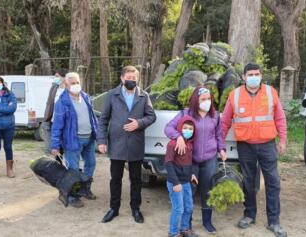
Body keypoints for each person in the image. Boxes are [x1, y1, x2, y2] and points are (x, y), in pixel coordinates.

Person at [221, 63, 288, 237]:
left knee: (273, 182)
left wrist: (283, 140)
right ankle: (249, 214)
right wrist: (220, 144)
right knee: (249, 182)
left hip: (267, 144)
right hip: (246, 146)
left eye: (256, 74)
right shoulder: (234, 95)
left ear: (261, 75)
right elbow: (225, 122)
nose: (253, 77)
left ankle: (274, 221)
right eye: (250, 74)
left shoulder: (270, 92)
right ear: (243, 77)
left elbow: (280, 117)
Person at [98, 65, 156, 224]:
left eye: (134, 78)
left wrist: (139, 123)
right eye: (128, 78)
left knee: (136, 179)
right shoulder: (112, 95)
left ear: (138, 79)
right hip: (117, 143)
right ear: (122, 78)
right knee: (115, 178)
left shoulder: (144, 96)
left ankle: (135, 209)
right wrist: (102, 141)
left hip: (135, 144)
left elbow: (152, 116)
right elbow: (103, 120)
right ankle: (113, 209)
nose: (131, 81)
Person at [165, 86, 226, 234]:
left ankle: (207, 221)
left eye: (209, 99)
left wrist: (222, 149)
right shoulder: (186, 114)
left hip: (209, 158)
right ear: (195, 100)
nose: (207, 102)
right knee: (189, 191)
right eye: (203, 99)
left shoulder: (215, 116)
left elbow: (219, 136)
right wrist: (178, 136)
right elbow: (168, 128)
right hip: (190, 160)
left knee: (207, 190)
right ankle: (187, 225)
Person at [51, 72, 98, 208]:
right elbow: (57, 125)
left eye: (77, 82)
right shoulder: (62, 103)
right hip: (73, 140)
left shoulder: (86, 97)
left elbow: (92, 118)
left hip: (89, 138)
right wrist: (55, 145)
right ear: (66, 85)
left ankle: (85, 189)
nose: (76, 85)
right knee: (73, 170)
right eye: (72, 83)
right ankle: (72, 196)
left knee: (91, 164)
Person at [164, 115, 198, 237]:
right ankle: (173, 232)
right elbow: (168, 163)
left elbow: (189, 161)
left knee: (188, 207)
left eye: (191, 128)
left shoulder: (190, 144)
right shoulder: (172, 144)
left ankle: (184, 229)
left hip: (186, 182)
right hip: (176, 183)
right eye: (185, 127)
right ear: (179, 128)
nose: (188, 130)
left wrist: (192, 174)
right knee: (178, 209)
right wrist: (176, 183)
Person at [42, 69, 67, 154]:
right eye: (54, 76)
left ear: (64, 78)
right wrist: (46, 116)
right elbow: (49, 103)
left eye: (57, 76)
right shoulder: (54, 88)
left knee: (64, 146)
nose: (55, 78)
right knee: (55, 146)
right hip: (53, 121)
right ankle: (58, 163)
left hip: (65, 122)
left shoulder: (68, 90)